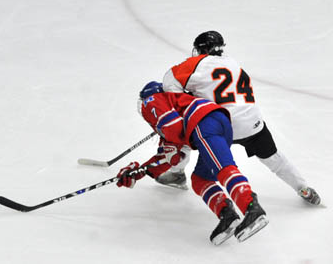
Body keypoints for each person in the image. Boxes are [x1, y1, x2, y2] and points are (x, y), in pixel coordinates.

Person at [156, 30, 321, 206]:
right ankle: (303, 188)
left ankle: (176, 172)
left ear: (201, 49)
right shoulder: (233, 63)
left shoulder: (196, 64)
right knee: (274, 158)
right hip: (252, 122)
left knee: (180, 132)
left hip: (220, 125)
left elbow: (168, 83)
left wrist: (185, 99)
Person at [117, 81, 269, 245]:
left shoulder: (152, 100)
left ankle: (251, 207)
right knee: (200, 180)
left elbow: (173, 129)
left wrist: (171, 146)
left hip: (204, 123)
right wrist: (141, 171)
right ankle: (227, 214)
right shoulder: (175, 107)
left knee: (223, 168)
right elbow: (172, 157)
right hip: (213, 123)